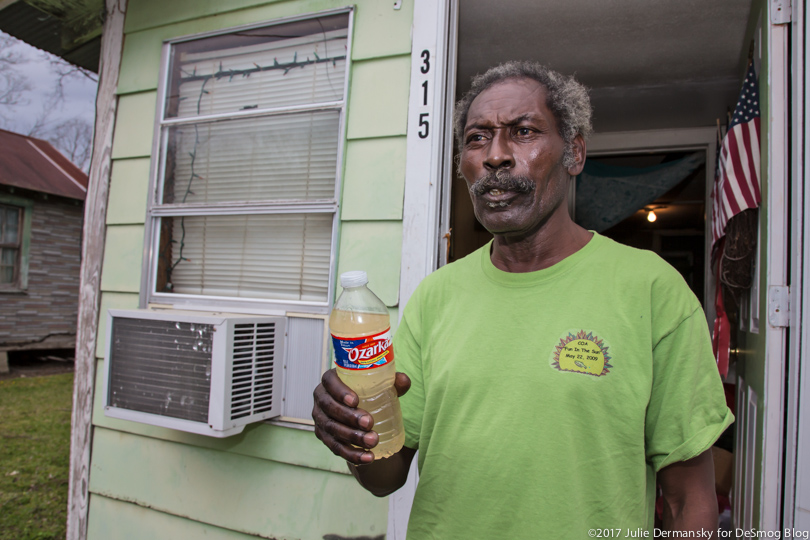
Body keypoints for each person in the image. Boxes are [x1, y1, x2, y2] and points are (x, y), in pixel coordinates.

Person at [313, 61, 733, 539]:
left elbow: (689, 500)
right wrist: (353, 434)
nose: (496, 156)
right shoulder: (436, 297)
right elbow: (385, 479)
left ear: (573, 153)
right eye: (477, 138)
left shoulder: (653, 291)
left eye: (524, 131)